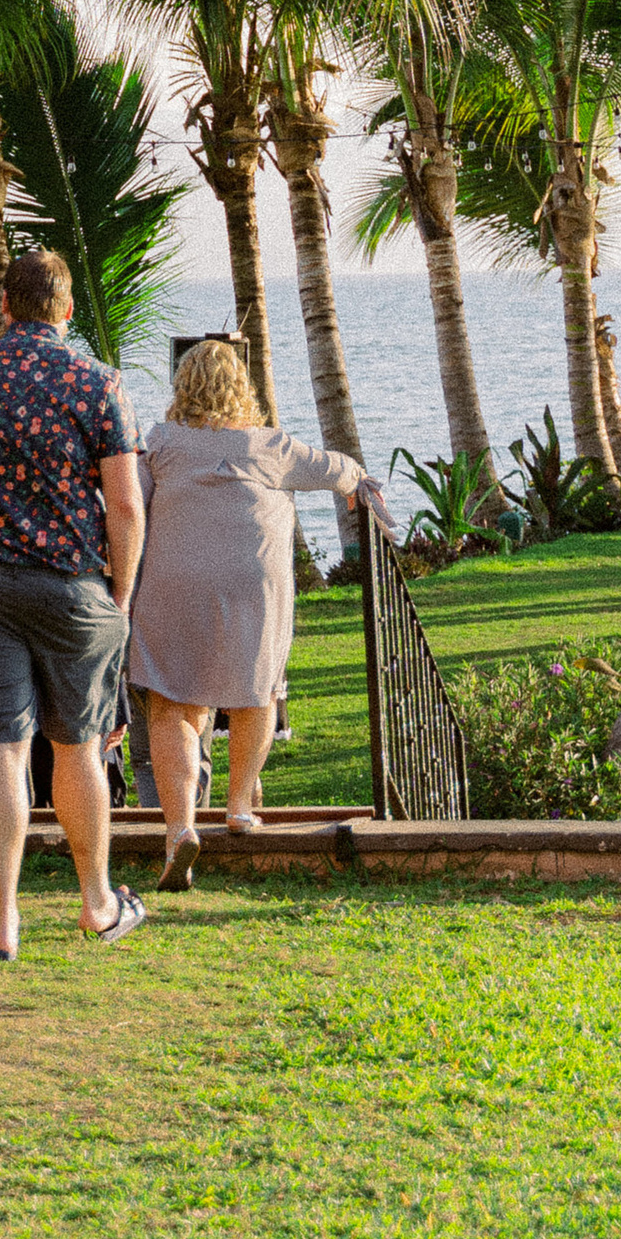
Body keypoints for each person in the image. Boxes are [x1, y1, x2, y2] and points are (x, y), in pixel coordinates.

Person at [0, 245, 146, 963]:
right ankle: (97, 903)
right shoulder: (96, 381)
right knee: (76, 745)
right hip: (73, 584)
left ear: (5, 306)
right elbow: (126, 506)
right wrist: (122, 590)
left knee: (2, 747)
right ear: (67, 310)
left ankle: (4, 921)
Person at [132, 337, 391, 891]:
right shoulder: (270, 445)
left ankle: (180, 829)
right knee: (258, 692)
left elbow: (132, 504)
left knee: (173, 704)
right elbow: (336, 467)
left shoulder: (160, 442)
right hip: (253, 584)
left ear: (183, 386)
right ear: (240, 386)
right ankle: (239, 808)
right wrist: (357, 484)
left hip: (174, 583)